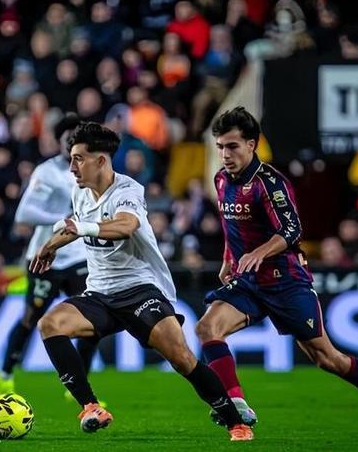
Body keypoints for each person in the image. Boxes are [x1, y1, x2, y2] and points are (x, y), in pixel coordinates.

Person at [195, 107, 358, 434]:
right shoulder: (220, 179)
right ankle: (236, 403)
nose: (225, 154)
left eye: (232, 146)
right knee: (207, 329)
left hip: (286, 282)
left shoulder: (270, 183)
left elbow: (292, 230)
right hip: (248, 282)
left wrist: (258, 253)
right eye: (220, 146)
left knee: (328, 359)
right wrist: (229, 258)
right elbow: (230, 224)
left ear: (252, 144)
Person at [31, 122, 253, 441]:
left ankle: (236, 422)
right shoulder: (79, 191)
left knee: (182, 358)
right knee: (49, 324)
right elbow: (75, 225)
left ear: (101, 160)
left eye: (79, 158)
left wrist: (80, 228)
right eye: (71, 158)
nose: (72, 166)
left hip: (140, 291)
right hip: (100, 295)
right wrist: (53, 243)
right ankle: (90, 406)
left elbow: (125, 226)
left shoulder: (127, 190)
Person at [0, 114, 101, 400]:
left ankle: (80, 385)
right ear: (60, 142)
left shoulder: (93, 170)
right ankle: (4, 372)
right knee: (32, 316)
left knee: (92, 320)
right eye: (69, 139)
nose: (73, 144)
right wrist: (61, 220)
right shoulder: (47, 172)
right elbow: (23, 214)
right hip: (47, 256)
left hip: (78, 255)